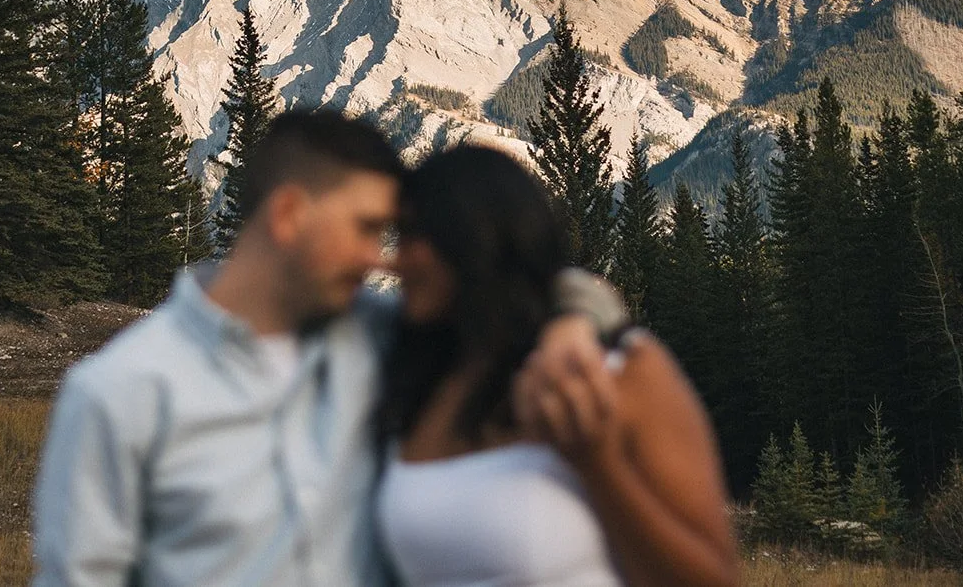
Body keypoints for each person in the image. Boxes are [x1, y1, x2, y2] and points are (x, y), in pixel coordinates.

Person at [31, 109, 629, 587]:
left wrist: (572, 322)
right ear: (289, 214)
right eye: (367, 229)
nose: (381, 258)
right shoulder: (117, 392)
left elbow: (522, 292)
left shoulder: (378, 329)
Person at [379, 144, 739, 587]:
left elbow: (714, 577)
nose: (396, 261)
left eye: (414, 236)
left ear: (472, 239)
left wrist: (598, 461)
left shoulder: (618, 371)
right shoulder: (414, 378)